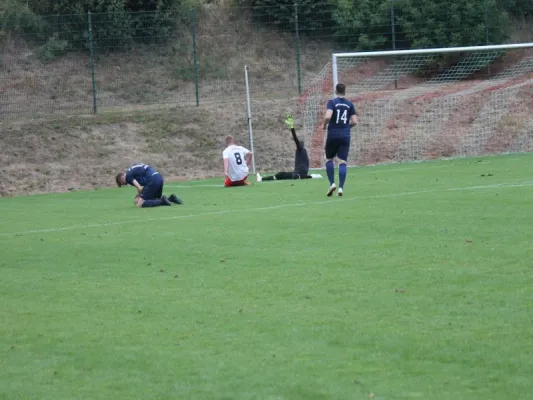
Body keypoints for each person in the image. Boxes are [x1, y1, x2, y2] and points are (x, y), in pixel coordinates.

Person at [256, 114, 322, 182]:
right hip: (299, 173)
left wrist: (291, 126)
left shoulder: (301, 149)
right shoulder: (302, 152)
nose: (300, 143)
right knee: (281, 175)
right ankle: (261, 179)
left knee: (282, 175)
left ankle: (261, 179)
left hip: (298, 173)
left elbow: (295, 138)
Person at [322, 83, 358, 197]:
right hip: (345, 136)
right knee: (342, 162)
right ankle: (341, 188)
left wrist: (324, 125)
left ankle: (332, 183)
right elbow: (355, 121)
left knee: (328, 159)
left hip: (333, 135)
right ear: (345, 91)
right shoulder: (349, 104)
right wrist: (347, 127)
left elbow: (328, 116)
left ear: (336, 91)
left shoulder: (332, 102)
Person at [115, 163, 183, 208]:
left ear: (121, 178)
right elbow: (140, 187)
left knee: (139, 204)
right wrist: (139, 195)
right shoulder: (131, 171)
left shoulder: (128, 176)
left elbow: (139, 188)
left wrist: (138, 197)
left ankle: (163, 201)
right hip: (159, 177)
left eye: (122, 183)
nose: (124, 184)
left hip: (152, 180)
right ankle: (171, 198)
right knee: (153, 199)